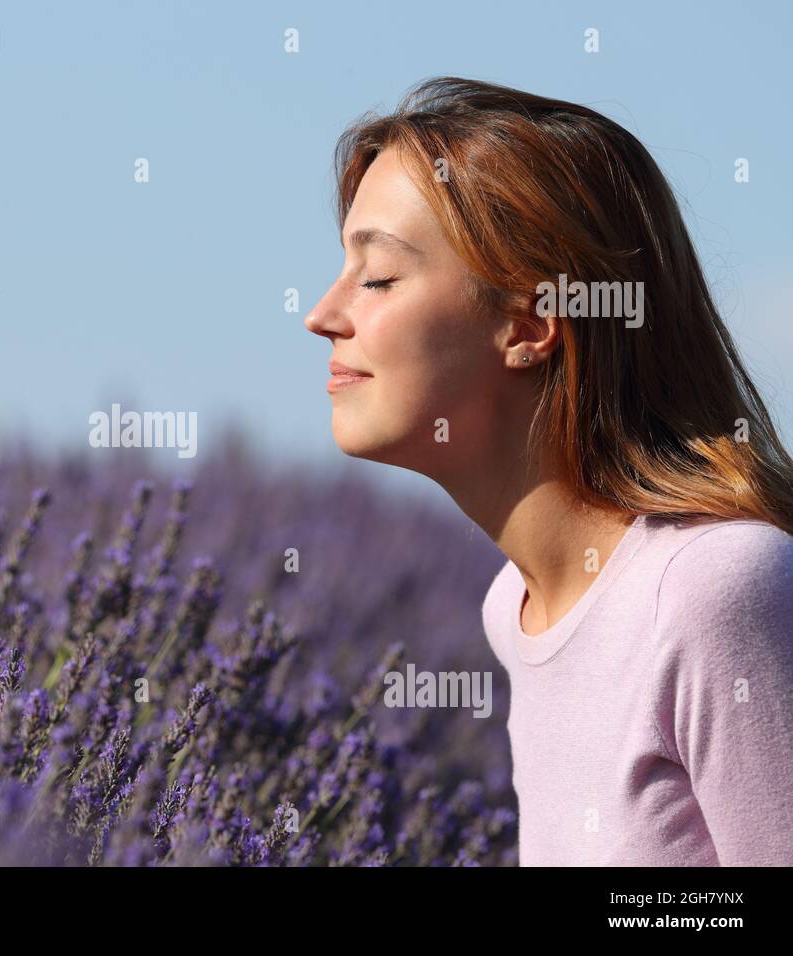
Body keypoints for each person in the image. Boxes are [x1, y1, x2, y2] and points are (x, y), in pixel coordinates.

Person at [305, 77, 793, 866]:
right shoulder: (519, 608)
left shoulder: (716, 589)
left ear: (531, 322)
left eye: (378, 278)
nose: (322, 314)